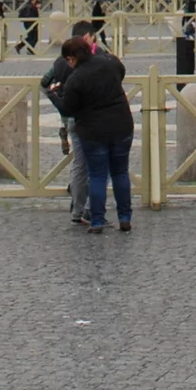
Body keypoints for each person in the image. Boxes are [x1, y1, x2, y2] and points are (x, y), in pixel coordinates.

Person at [56, 34, 134, 233]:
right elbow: (121, 71)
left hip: (93, 131)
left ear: (72, 58)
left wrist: (53, 94)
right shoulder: (109, 63)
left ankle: (97, 220)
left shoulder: (76, 78)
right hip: (121, 124)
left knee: (98, 175)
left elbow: (68, 109)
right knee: (120, 173)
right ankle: (125, 218)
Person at [44, 19, 97, 223]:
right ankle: (87, 207)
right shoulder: (89, 62)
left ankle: (76, 205)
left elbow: (44, 83)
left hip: (66, 115)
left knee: (77, 164)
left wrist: (55, 93)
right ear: (86, 38)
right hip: (85, 116)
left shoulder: (59, 62)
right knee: (92, 164)